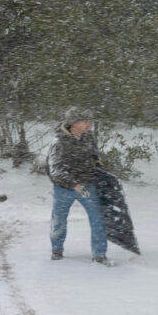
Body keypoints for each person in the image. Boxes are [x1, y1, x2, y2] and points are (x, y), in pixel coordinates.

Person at [47, 108, 109, 264]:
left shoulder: (88, 137)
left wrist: (99, 167)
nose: (89, 124)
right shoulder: (58, 142)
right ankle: (57, 250)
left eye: (89, 121)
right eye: (85, 121)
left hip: (87, 185)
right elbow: (55, 171)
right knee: (59, 219)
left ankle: (99, 254)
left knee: (97, 218)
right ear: (74, 123)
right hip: (63, 188)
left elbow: (95, 156)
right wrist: (75, 185)